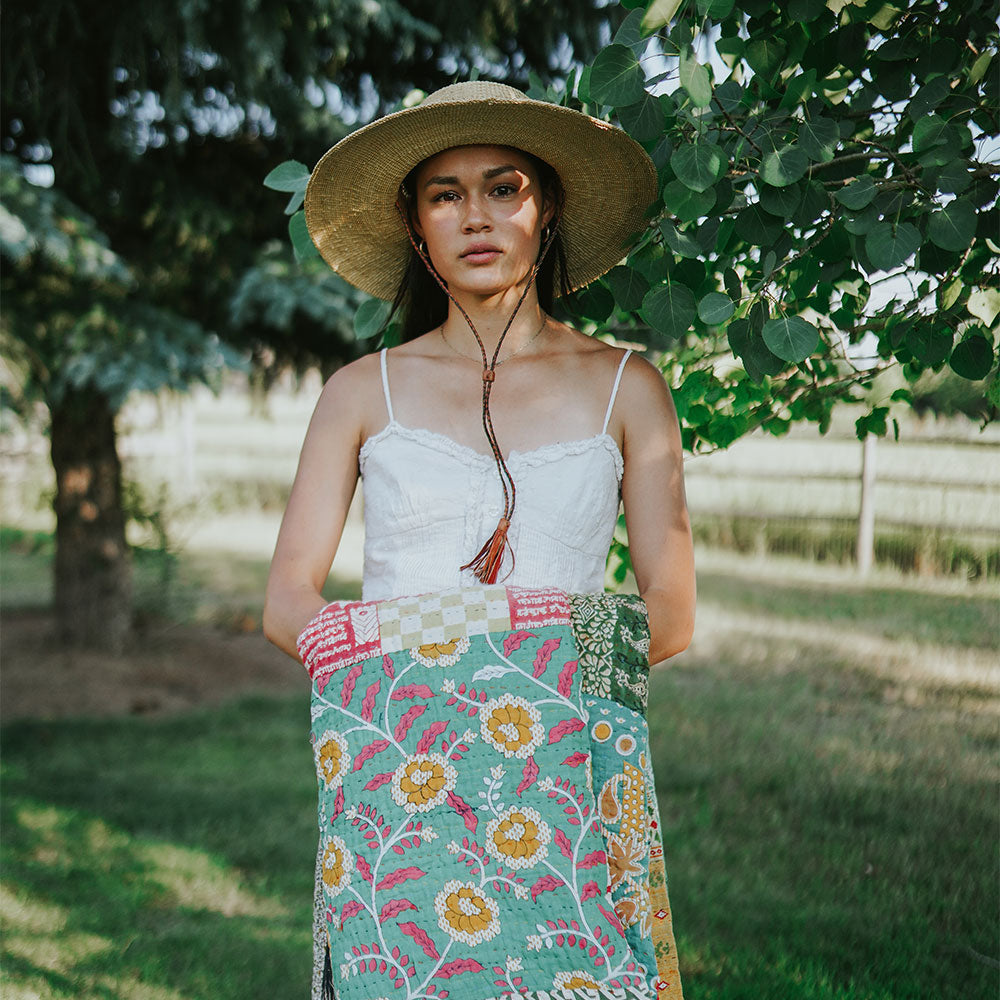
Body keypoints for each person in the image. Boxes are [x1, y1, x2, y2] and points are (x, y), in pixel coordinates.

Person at [263, 81, 695, 999]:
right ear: (417, 227)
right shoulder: (359, 392)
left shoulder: (626, 387)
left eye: (505, 188)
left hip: (564, 770)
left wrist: (523, 682)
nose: (477, 216)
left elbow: (672, 609)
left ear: (550, 209)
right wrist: (417, 681)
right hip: (402, 771)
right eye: (445, 194)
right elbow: (289, 599)